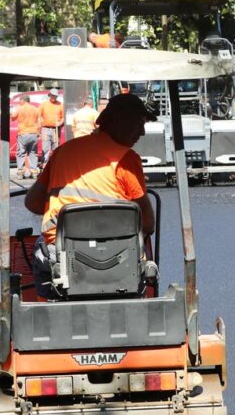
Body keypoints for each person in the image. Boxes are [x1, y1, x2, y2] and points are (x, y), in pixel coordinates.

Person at [24, 93, 155, 299]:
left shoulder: (62, 152)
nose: (142, 132)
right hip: (119, 261)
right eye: (138, 123)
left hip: (60, 256)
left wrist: (69, 213)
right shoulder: (125, 159)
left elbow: (32, 202)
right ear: (116, 122)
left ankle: (45, 309)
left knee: (42, 256)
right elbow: (148, 223)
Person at [14, 96, 40, 177]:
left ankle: (20, 172)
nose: (19, 102)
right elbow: (39, 122)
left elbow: (12, 117)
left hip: (23, 133)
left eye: (20, 101)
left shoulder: (20, 108)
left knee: (21, 152)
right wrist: (38, 133)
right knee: (33, 152)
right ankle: (34, 171)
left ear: (23, 100)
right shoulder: (35, 109)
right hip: (34, 133)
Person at [38, 87, 65, 164]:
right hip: (46, 129)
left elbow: (63, 117)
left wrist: (60, 123)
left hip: (56, 129)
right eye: (52, 95)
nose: (54, 97)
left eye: (55, 96)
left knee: (56, 147)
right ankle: (44, 164)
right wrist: (41, 122)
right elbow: (38, 115)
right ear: (49, 95)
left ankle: (56, 163)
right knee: (45, 148)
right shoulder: (44, 104)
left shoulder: (60, 105)